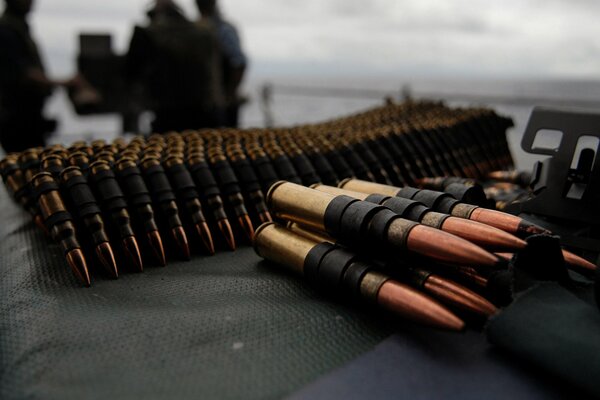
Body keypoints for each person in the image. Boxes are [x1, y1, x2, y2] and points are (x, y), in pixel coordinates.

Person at [126, 0, 224, 133]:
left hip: (167, 112)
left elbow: (130, 72)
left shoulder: (148, 33)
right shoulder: (205, 31)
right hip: (206, 110)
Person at [0, 0, 57, 153]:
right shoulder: (7, 30)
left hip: (28, 118)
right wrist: (65, 82)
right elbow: (23, 73)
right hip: (17, 119)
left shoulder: (17, 27)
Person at [196, 0, 247, 128]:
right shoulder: (201, 28)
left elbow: (239, 63)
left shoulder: (222, 30)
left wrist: (229, 95)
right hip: (206, 102)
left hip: (220, 102)